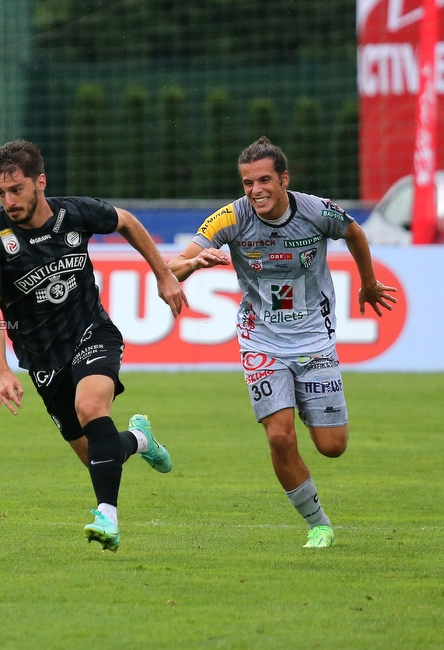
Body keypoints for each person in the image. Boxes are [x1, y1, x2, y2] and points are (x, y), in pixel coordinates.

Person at [168, 136, 398, 549]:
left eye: (263, 180)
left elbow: (355, 233)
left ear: (283, 179)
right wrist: (193, 263)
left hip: (314, 340)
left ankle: (308, 405)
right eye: (246, 182)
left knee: (332, 447)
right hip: (262, 341)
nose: (254, 190)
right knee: (278, 436)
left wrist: (368, 283)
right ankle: (318, 524)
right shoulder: (230, 218)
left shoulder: (315, 211)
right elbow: (173, 265)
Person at [0, 140, 186, 552]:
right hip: (41, 359)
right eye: (1, 192)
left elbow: (125, 221)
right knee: (98, 456)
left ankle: (107, 517)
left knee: (90, 408)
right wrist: (2, 372)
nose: (8, 200)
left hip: (92, 332)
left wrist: (163, 274)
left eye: (16, 189)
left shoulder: (75, 213)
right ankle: (140, 440)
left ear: (40, 183)